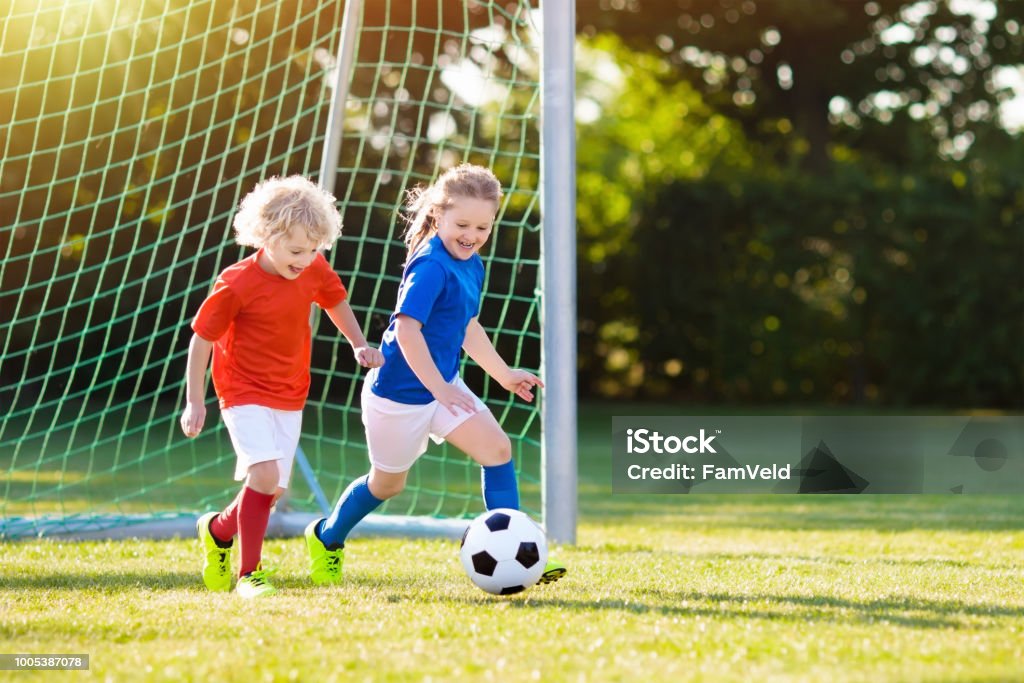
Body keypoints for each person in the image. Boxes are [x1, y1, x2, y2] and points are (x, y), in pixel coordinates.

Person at [304, 164, 566, 587]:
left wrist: (502, 374)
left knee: (498, 450)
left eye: (482, 226)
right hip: (399, 396)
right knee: (387, 484)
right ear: (438, 215)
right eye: (462, 223)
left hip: (442, 388)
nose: (472, 234)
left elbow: (467, 325)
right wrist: (439, 388)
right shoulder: (430, 264)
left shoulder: (472, 263)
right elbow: (407, 330)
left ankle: (520, 556)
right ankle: (327, 537)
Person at [180, 175, 384, 599]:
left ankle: (218, 530)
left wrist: (359, 343)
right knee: (264, 474)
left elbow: (334, 300)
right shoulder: (236, 283)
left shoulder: (313, 267)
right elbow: (201, 339)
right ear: (266, 237)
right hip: (241, 389)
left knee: (272, 489)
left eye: (314, 249)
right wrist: (194, 402)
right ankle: (248, 575)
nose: (306, 259)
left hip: (290, 391)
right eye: (296, 250)